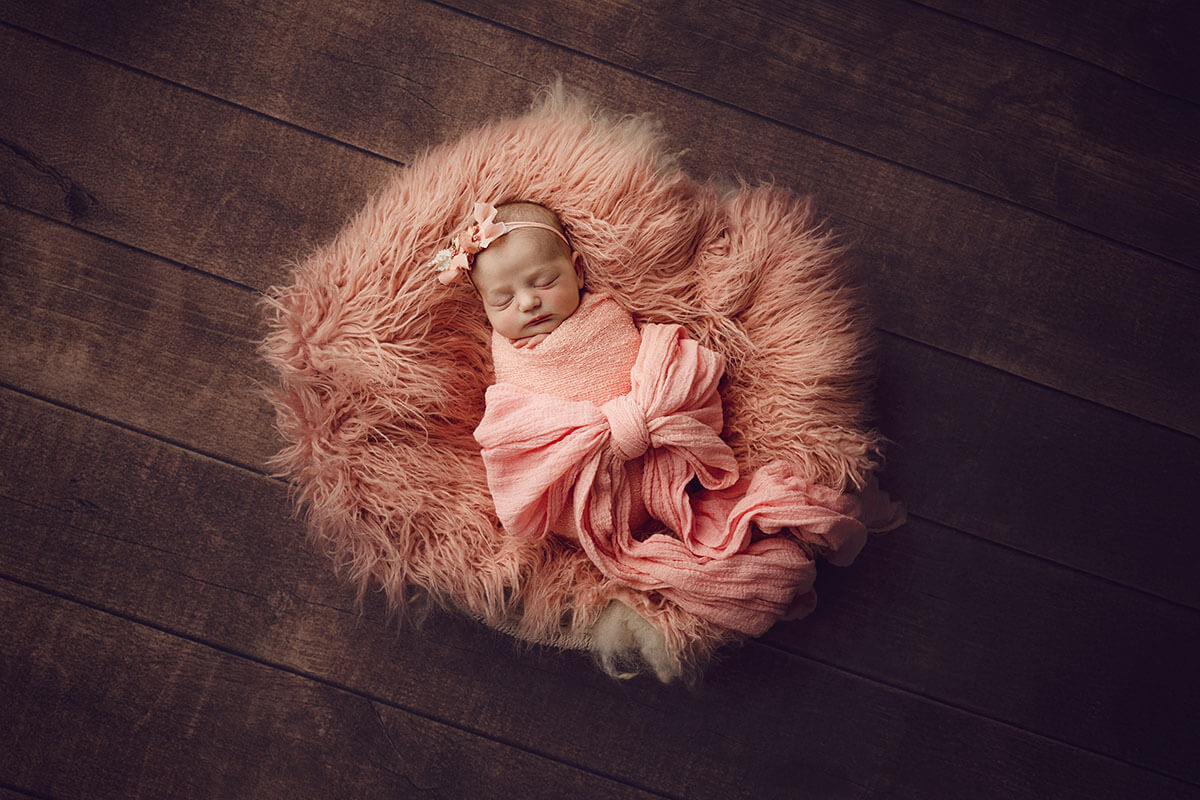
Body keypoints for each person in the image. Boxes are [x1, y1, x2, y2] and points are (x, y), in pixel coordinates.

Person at [433, 201, 901, 651]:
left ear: (577, 270)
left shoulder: (604, 313)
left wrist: (642, 409)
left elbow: (656, 355)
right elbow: (511, 428)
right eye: (503, 298)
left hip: (660, 443)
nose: (529, 302)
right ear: (486, 308)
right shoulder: (509, 358)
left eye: (544, 280)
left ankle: (721, 527)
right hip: (580, 483)